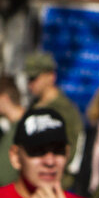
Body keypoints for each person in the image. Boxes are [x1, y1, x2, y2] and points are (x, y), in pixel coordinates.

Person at [24, 51, 83, 188]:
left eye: (34, 78)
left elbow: (72, 151)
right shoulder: (33, 105)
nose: (30, 84)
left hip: (53, 185)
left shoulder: (64, 110)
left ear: (51, 76)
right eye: (28, 79)